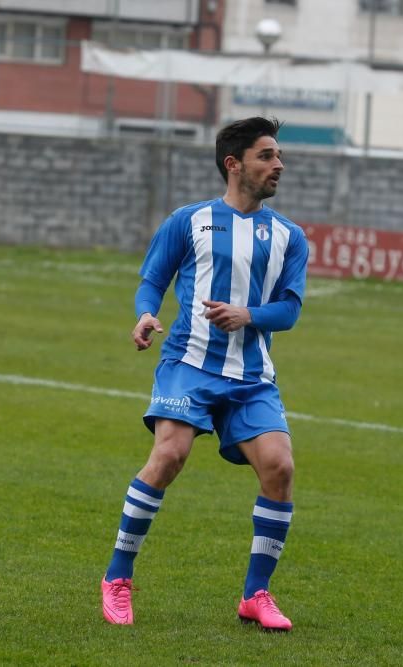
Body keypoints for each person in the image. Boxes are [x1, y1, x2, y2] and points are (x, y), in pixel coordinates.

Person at [100, 117, 309, 632]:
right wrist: (146, 313)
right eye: (266, 155)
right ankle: (118, 576)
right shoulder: (188, 221)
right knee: (170, 454)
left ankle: (256, 594)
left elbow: (289, 310)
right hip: (188, 364)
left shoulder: (288, 236)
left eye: (278, 155)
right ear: (234, 164)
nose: (278, 164)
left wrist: (249, 315)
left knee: (280, 467)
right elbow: (153, 279)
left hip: (252, 375)